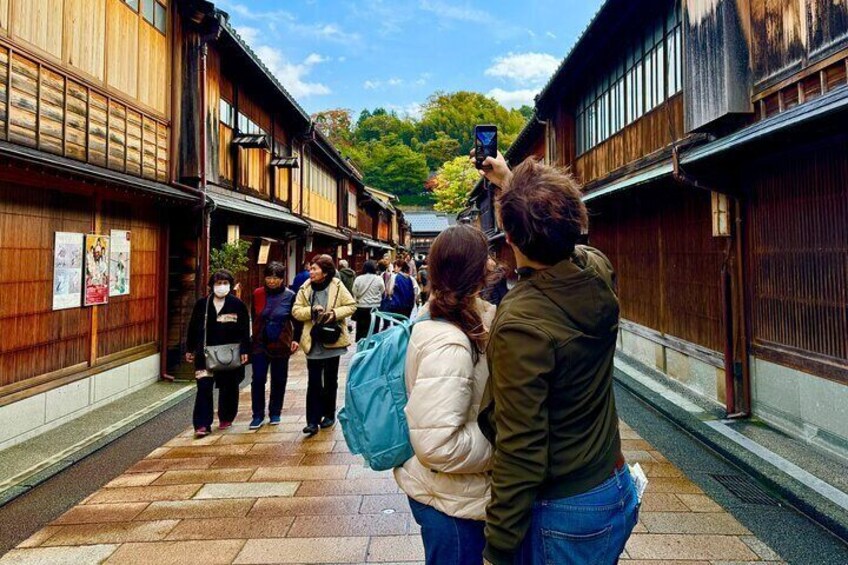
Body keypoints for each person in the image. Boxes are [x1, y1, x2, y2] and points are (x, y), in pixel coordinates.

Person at [477, 154, 637, 565]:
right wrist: (511, 183)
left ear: (509, 239)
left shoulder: (521, 323)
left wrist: (497, 547)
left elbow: (521, 448)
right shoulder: (597, 271)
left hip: (567, 505)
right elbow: (560, 233)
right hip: (611, 479)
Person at [395, 225, 497, 565]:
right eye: (487, 259)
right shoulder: (449, 343)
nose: (494, 264)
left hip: (455, 493)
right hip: (449, 500)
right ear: (477, 273)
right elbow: (438, 445)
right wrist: (506, 445)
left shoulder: (465, 318)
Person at [293, 255, 357, 437]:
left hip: (332, 339)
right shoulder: (305, 288)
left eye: (314, 269)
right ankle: (312, 421)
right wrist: (311, 311)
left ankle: (328, 414)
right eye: (310, 269)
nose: (311, 272)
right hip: (312, 340)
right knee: (313, 382)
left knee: (330, 379)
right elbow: (296, 311)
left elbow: (351, 305)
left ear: (325, 272)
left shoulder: (337, 285)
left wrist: (334, 314)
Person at [185, 270, 251, 438]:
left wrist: (245, 350)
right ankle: (202, 424)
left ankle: (226, 416)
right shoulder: (202, 305)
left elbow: (244, 329)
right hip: (205, 353)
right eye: (218, 283)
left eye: (225, 283)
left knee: (229, 386)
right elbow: (193, 327)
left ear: (231, 285)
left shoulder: (237, 304)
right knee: (204, 387)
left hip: (229, 352)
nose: (221, 287)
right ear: (211, 286)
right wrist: (190, 348)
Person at [249, 262, 301, 430]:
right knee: (258, 379)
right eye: (269, 277)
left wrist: (296, 339)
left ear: (282, 279)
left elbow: (296, 320)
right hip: (259, 343)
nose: (272, 281)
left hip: (280, 342)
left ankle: (275, 412)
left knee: (279, 379)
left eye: (276, 278)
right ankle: (257, 414)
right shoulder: (258, 294)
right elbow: (254, 316)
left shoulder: (290, 295)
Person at [352, 260, 385, 341]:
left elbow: (354, 291)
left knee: (361, 330)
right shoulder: (379, 279)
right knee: (373, 330)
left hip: (361, 308)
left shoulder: (358, 279)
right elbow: (382, 290)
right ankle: (372, 349)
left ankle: (362, 347)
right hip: (374, 308)